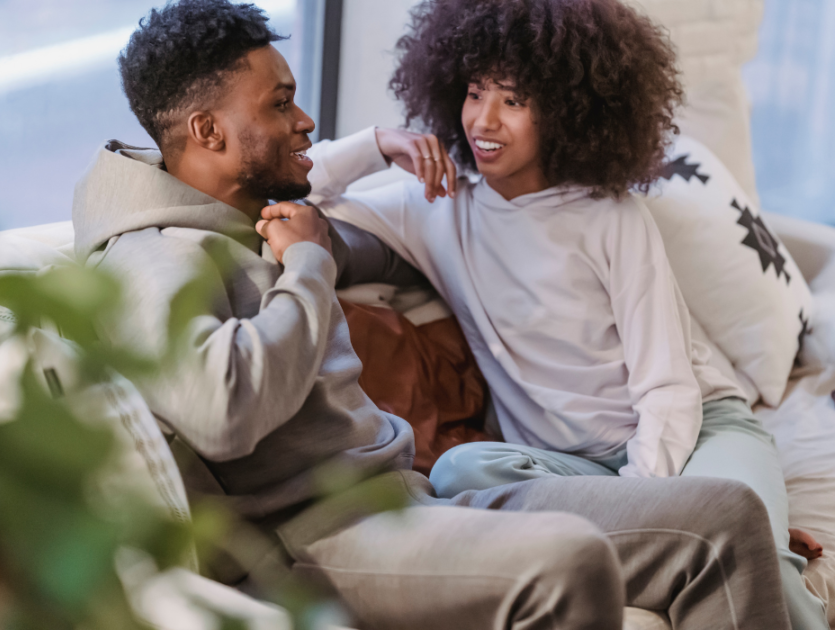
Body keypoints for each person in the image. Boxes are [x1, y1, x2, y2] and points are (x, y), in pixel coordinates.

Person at [73, 1, 792, 628]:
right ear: (208, 131)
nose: (305, 119)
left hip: (411, 496)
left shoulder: (248, 211)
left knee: (724, 520)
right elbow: (223, 410)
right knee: (567, 558)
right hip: (324, 534)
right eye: (280, 104)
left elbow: (339, 222)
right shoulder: (152, 256)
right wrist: (310, 265)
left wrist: (361, 171)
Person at [305, 0, 828, 628]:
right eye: (475, 93)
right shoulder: (433, 207)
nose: (484, 120)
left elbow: (667, 390)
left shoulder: (612, 218)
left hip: (696, 434)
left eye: (514, 100)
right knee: (461, 470)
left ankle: (762, 551)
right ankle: (738, 538)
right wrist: (377, 143)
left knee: (743, 530)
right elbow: (301, 191)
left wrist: (656, 507)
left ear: (566, 111)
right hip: (564, 463)